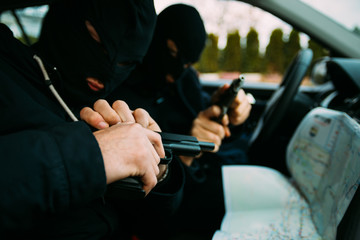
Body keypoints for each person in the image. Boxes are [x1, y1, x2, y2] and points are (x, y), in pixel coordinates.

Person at [0, 0, 184, 239]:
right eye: (96, 39)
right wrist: (94, 155)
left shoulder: (114, 103)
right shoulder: (9, 74)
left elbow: (154, 225)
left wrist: (159, 171)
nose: (107, 69)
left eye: (126, 62)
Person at [104, 4, 252, 239]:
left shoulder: (185, 79)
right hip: (180, 205)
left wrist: (232, 114)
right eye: (172, 52)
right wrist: (186, 156)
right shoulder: (122, 97)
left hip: (217, 173)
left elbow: (203, 111)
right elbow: (150, 204)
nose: (177, 70)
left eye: (187, 64)